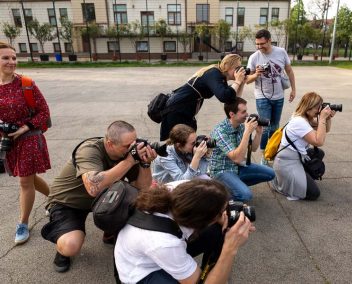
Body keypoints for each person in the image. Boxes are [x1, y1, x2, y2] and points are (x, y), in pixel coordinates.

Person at [41, 121, 157, 273]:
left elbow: (142, 189)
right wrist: (129, 161)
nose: (132, 148)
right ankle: (62, 249)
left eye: (134, 143)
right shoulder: (89, 150)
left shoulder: (129, 154)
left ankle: (110, 231)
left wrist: (145, 164)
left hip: (103, 198)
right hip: (69, 202)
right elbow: (93, 188)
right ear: (109, 143)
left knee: (137, 199)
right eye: (127, 146)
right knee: (70, 245)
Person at [115, 179, 255, 284]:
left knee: (219, 231)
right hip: (140, 271)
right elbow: (165, 244)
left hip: (147, 248)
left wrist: (228, 221)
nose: (225, 213)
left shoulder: (179, 191)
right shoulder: (165, 243)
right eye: (221, 212)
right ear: (200, 222)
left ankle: (211, 273)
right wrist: (230, 248)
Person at [0, 41, 51, 245]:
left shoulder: (26, 84)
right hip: (8, 142)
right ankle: (57, 199)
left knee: (24, 181)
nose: (11, 62)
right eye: (6, 58)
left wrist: (25, 127)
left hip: (28, 138)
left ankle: (23, 223)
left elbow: (44, 112)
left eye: (14, 57)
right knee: (28, 178)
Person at [160, 54, 247, 141]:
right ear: (227, 66)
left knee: (187, 143)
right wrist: (237, 81)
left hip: (186, 111)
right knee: (178, 144)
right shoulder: (214, 73)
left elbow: (231, 99)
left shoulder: (220, 77)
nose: (239, 71)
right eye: (237, 68)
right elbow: (224, 96)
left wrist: (241, 83)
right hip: (177, 109)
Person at [272, 92, 336, 201]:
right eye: (318, 107)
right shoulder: (299, 122)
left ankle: (304, 177)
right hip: (287, 163)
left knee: (318, 153)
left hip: (297, 157)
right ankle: (282, 183)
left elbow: (326, 129)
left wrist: (327, 118)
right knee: (314, 193)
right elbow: (319, 141)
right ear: (309, 107)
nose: (320, 110)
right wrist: (322, 119)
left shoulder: (304, 117)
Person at [209, 97, 275, 201]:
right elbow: (237, 158)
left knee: (271, 174)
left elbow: (253, 148)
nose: (247, 114)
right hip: (222, 170)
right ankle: (218, 195)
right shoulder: (220, 132)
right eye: (243, 112)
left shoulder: (241, 126)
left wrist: (258, 133)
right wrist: (247, 132)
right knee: (246, 195)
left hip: (238, 167)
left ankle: (233, 185)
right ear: (232, 114)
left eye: (246, 111)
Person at [246, 29, 296, 161]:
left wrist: (294, 89)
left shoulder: (281, 52)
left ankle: (272, 151)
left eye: (262, 44)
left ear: (269, 41)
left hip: (279, 96)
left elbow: (289, 71)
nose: (259, 47)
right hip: (262, 96)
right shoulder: (254, 57)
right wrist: (256, 74)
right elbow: (246, 80)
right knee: (265, 126)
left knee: (275, 126)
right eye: (257, 44)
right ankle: (264, 155)